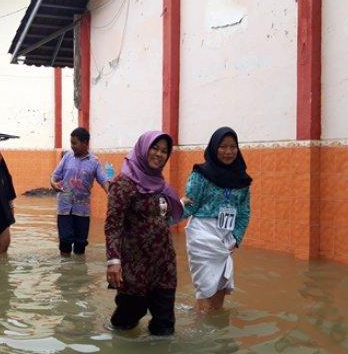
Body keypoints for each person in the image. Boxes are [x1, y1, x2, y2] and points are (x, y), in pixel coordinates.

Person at [104, 130, 183, 336]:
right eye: (154, 148)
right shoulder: (124, 183)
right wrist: (113, 260)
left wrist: (181, 205)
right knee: (126, 322)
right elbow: (113, 225)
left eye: (164, 151)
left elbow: (162, 218)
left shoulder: (160, 185)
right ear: (143, 149)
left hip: (163, 265)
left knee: (165, 325)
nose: (159, 154)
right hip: (134, 268)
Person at [182, 127, 252, 313]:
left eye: (233, 147)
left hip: (226, 236)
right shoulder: (200, 175)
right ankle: (201, 335)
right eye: (223, 146)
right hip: (202, 235)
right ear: (214, 148)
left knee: (220, 289)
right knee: (205, 290)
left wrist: (235, 239)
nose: (228, 152)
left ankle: (216, 332)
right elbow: (190, 206)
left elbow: (244, 212)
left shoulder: (242, 180)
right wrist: (163, 215)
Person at [50, 127, 109, 257]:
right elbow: (54, 176)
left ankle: (78, 273)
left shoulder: (94, 162)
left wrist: (112, 195)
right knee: (65, 241)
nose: (72, 146)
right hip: (64, 208)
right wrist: (53, 184)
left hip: (82, 210)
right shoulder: (67, 158)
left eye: (74, 143)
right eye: (71, 143)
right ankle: (65, 272)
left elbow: (104, 181)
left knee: (80, 244)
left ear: (85, 143)